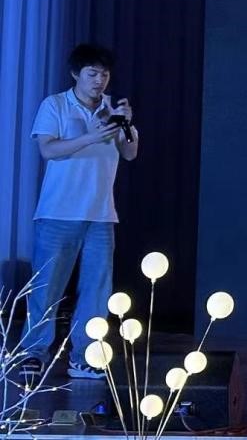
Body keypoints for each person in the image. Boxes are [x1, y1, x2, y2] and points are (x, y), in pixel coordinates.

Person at [23, 43, 137, 379]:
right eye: (92, 73)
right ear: (76, 74)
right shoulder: (55, 105)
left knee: (97, 290)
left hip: (101, 214)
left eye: (104, 74)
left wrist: (127, 125)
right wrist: (91, 136)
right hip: (58, 212)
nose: (99, 80)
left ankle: (85, 355)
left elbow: (130, 153)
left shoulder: (112, 109)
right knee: (46, 287)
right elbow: (48, 150)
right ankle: (32, 353)